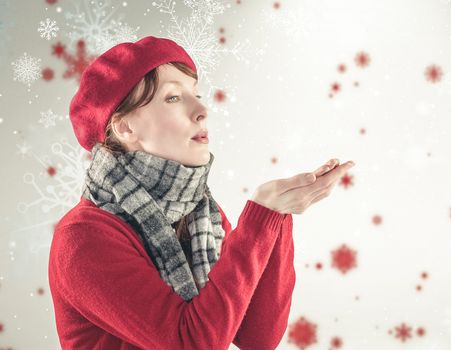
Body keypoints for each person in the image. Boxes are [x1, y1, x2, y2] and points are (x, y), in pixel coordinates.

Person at [47, 36, 355, 350]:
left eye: (195, 94)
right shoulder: (83, 237)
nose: (201, 110)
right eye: (172, 98)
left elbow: (257, 337)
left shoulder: (201, 214)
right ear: (126, 128)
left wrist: (277, 216)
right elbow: (191, 343)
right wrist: (260, 220)